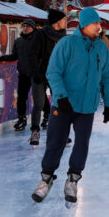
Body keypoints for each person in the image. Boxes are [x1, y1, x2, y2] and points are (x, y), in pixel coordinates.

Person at [30, 8, 109, 204]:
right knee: (55, 143)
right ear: (84, 24)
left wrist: (108, 104)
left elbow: (105, 79)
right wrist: (60, 97)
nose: (99, 27)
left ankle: (73, 179)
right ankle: (46, 180)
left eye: (99, 24)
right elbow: (53, 72)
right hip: (64, 105)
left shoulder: (101, 48)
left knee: (82, 144)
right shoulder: (67, 43)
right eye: (96, 24)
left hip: (87, 107)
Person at [28, 9, 68, 145]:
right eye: (64, 20)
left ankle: (61, 133)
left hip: (56, 76)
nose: (65, 22)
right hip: (40, 74)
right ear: (57, 22)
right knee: (39, 104)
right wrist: (36, 73)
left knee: (59, 103)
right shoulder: (40, 34)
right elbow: (32, 55)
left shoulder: (63, 36)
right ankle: (35, 132)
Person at [0, 18, 37, 131]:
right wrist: (2, 58)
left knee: (39, 97)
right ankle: (21, 119)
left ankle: (47, 115)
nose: (25, 28)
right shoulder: (18, 41)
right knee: (21, 98)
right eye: (24, 26)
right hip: (23, 74)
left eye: (28, 26)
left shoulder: (38, 40)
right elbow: (14, 56)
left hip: (36, 74)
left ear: (33, 28)